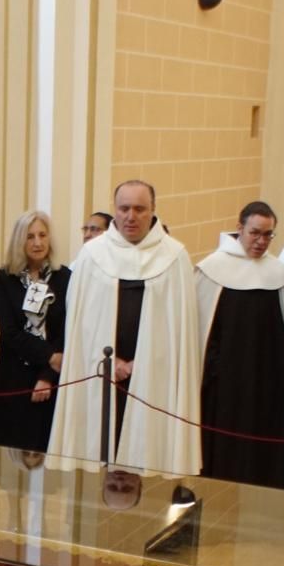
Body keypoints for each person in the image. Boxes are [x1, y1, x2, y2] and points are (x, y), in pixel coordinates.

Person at [48, 179, 200, 476]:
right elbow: (81, 325)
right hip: (100, 370)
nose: (131, 216)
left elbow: (179, 330)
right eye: (124, 208)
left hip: (155, 373)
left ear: (153, 210)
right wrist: (110, 361)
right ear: (114, 210)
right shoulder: (93, 255)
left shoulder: (174, 256)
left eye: (140, 209)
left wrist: (141, 363)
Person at [194, 201, 284, 489]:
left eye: (268, 235)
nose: (261, 241)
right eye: (255, 233)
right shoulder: (212, 269)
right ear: (240, 228)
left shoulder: (278, 274)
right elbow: (203, 333)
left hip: (266, 391)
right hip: (224, 390)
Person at [0, 209, 70, 453]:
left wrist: (47, 374)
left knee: (44, 446)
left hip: (51, 375)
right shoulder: (5, 277)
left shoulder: (65, 277)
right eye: (30, 236)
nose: (37, 242)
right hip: (13, 374)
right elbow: (10, 331)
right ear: (19, 241)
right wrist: (49, 356)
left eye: (43, 235)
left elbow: (65, 331)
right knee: (9, 448)